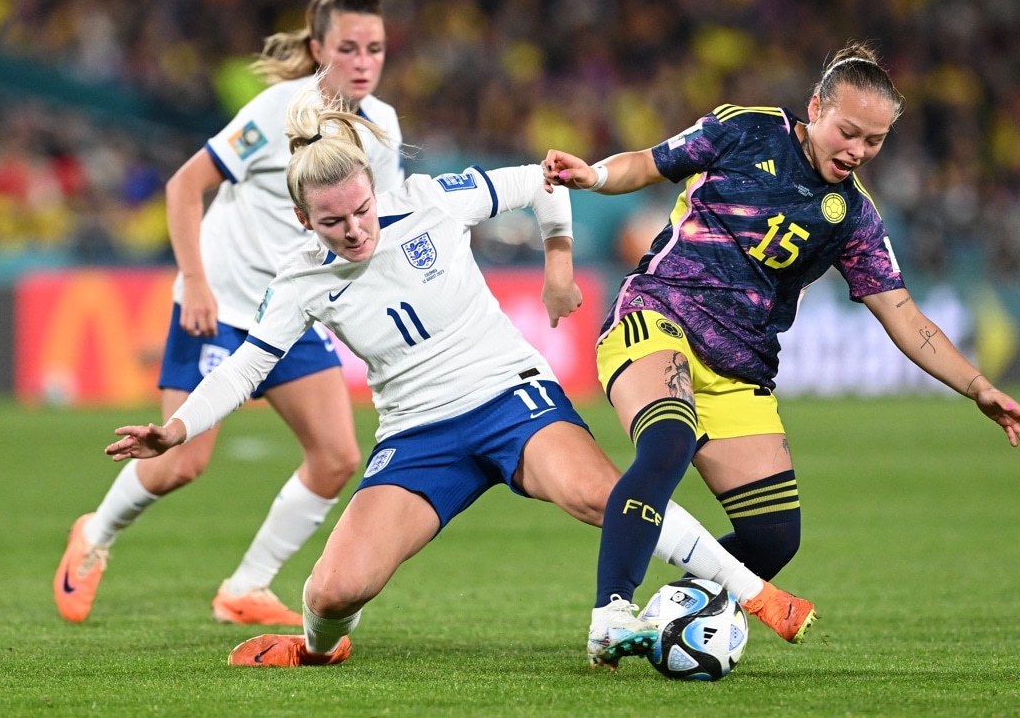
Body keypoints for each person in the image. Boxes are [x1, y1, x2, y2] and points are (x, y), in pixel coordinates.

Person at [103, 85, 817, 671]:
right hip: (418, 435)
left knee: (600, 493)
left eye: (360, 210)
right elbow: (247, 367)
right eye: (333, 222)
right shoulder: (297, 281)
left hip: (511, 396)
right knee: (330, 591)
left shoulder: (427, 200)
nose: (355, 229)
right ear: (303, 220)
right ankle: (318, 652)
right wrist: (176, 428)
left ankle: (757, 595)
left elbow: (544, 183)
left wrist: (558, 264)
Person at [542, 42, 1020, 651]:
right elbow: (648, 162)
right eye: (848, 131)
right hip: (657, 317)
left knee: (774, 535)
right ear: (815, 109)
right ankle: (611, 614)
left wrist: (978, 386)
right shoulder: (745, 130)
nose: (857, 151)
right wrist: (594, 176)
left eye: (874, 142)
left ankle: (675, 618)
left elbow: (903, 314)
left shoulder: (854, 216)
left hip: (740, 368)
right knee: (667, 441)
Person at [54, 0, 403, 626]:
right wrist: (194, 280)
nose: (362, 61)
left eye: (375, 49)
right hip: (221, 306)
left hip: (291, 311)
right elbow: (185, 185)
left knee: (337, 459)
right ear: (317, 47)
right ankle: (95, 534)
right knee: (178, 463)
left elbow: (385, 225)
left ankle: (246, 588)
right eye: (348, 47)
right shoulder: (277, 111)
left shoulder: (381, 126)